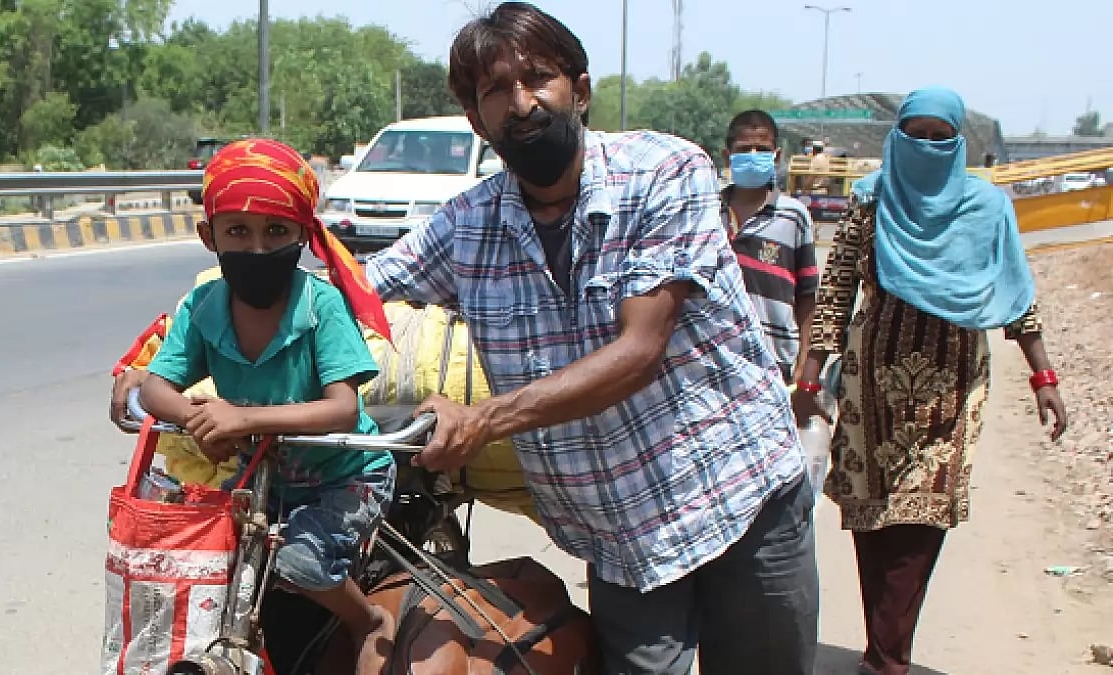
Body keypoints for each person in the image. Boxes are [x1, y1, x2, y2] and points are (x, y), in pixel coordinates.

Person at [364, 3, 818, 673]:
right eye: (495, 91)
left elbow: (638, 351)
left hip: (740, 498)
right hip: (621, 534)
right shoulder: (467, 224)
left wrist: (485, 416)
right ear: (476, 120)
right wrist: (172, 351)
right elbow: (344, 295)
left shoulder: (664, 173)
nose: (521, 103)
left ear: (580, 89)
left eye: (538, 77)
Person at [791, 86, 1068, 675]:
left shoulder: (987, 208)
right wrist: (810, 375)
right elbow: (838, 290)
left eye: (939, 138)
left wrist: (1043, 375)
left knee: (923, 518)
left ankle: (890, 657)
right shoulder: (870, 202)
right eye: (913, 136)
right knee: (871, 513)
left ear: (959, 142)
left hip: (952, 386)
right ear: (897, 139)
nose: (925, 147)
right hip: (871, 383)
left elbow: (1015, 295)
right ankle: (882, 647)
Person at [137, 138, 397, 675]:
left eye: (276, 232)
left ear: (302, 235)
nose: (257, 248)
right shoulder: (204, 305)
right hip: (260, 478)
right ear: (209, 237)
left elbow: (342, 409)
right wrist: (194, 417)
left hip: (344, 476)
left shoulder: (320, 304)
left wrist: (243, 417)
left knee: (299, 561)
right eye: (238, 232)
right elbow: (155, 387)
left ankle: (367, 620)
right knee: (195, 556)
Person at [721, 109, 819, 385]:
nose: (753, 154)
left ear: (776, 156)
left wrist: (803, 363)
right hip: (716, 361)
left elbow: (807, 296)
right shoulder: (708, 212)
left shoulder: (793, 216)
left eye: (761, 149)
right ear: (727, 156)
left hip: (774, 364)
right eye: (744, 149)